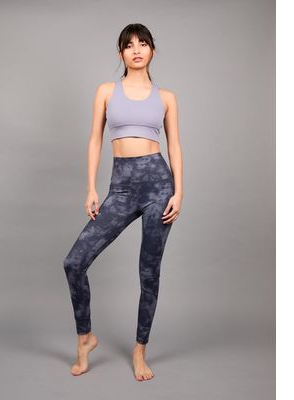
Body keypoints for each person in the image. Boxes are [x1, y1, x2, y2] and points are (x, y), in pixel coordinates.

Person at [62, 23, 183, 381]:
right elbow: (94, 141)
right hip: (121, 188)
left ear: (152, 50)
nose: (136, 50)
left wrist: (179, 191)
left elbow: (175, 146)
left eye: (143, 43)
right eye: (129, 45)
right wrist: (91, 188)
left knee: (149, 271)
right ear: (121, 53)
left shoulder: (166, 97)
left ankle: (140, 350)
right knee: (74, 262)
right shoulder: (106, 91)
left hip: (158, 186)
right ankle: (85, 338)